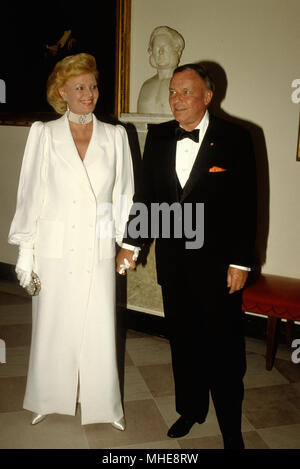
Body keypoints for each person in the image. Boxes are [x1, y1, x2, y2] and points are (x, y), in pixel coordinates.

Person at [117, 63, 257, 449]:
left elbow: (247, 205)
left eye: (186, 92)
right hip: (175, 266)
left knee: (225, 351)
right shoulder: (160, 136)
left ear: (208, 97)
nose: (176, 99)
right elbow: (146, 197)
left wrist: (241, 261)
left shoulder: (237, 138)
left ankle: (231, 428)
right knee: (184, 343)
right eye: (173, 92)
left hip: (218, 267)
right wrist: (131, 244)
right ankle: (191, 409)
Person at [8, 53, 134, 429]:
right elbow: (31, 195)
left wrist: (127, 244)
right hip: (54, 249)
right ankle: (48, 398)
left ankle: (104, 405)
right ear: (62, 91)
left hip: (97, 248)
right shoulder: (43, 134)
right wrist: (25, 254)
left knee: (99, 328)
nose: (89, 93)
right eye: (80, 87)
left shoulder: (115, 136)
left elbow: (126, 195)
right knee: (52, 325)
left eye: (93, 85)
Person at [137, 26, 185, 114]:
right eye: (157, 48)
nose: (160, 52)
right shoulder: (146, 86)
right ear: (151, 51)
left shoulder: (184, 83)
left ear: (177, 50)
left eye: (165, 47)